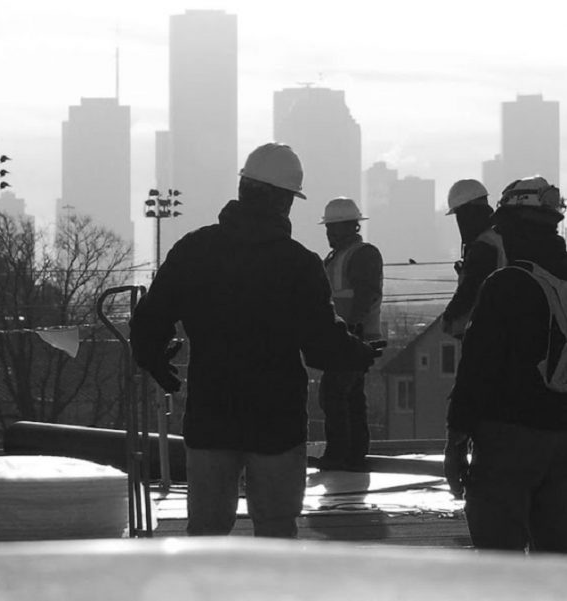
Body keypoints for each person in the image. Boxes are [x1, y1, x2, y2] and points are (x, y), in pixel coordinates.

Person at [129, 143, 381, 538]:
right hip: (275, 423)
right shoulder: (297, 263)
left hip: (211, 417)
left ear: (244, 187)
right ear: (285, 201)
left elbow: (147, 323)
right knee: (276, 536)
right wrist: (361, 354)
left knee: (207, 535)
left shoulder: (195, 250)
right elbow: (321, 345)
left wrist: (161, 367)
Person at [445, 176, 567, 553]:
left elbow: (477, 369)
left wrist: (456, 437)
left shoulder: (506, 284)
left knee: (500, 564)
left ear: (514, 225)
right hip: (562, 440)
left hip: (508, 439)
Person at [317, 197, 383, 472]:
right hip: (344, 337)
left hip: (354, 337)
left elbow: (365, 296)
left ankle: (340, 454)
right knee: (350, 396)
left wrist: (350, 328)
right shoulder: (336, 257)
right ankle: (353, 453)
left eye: (335, 227)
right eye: (328, 227)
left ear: (351, 226)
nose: (330, 233)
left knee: (334, 393)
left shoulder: (362, 254)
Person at [441, 179, 507, 339]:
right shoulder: (497, 238)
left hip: (483, 330)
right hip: (499, 326)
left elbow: (471, 288)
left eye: (459, 214)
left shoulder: (483, 245)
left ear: (467, 212)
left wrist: (449, 315)